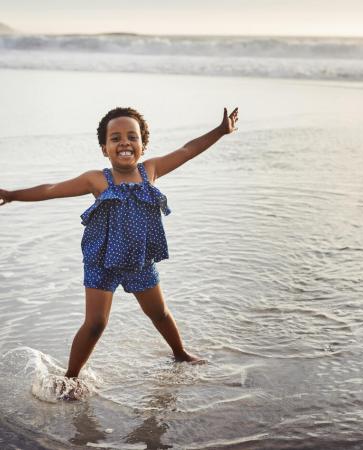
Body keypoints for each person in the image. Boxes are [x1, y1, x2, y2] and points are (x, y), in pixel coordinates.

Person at [0, 106, 239, 386]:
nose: (124, 142)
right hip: (102, 261)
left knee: (159, 313)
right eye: (115, 138)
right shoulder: (97, 179)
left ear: (142, 144)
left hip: (139, 261)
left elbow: (188, 150)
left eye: (131, 137)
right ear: (104, 148)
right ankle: (71, 378)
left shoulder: (150, 170)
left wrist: (221, 131)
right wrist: (13, 195)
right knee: (96, 324)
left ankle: (180, 353)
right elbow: (52, 189)